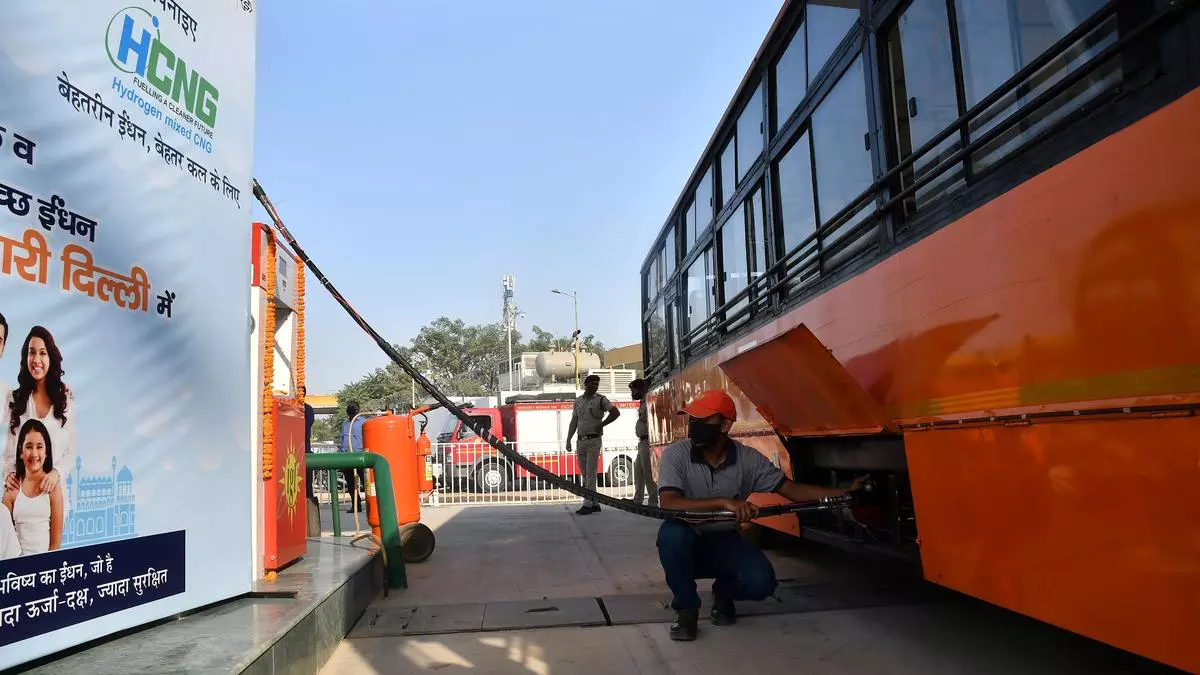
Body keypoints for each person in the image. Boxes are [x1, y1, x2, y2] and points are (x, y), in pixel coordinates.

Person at [656, 389, 868, 641]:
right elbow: (669, 503)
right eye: (692, 420)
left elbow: (791, 489)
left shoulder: (747, 459)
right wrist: (726, 503)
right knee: (671, 536)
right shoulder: (676, 454)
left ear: (725, 425)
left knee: (762, 584)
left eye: (703, 421)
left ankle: (724, 591)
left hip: (724, 539)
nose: (694, 426)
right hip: (686, 537)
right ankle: (686, 609)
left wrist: (843, 491)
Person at [3, 327, 75, 514]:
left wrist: (56, 472)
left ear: (50, 357)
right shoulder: (15, 400)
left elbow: (71, 452)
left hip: (53, 501)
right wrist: (8, 474)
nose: (36, 360)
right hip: (20, 502)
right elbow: (10, 452)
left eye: (42, 353)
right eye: (31, 353)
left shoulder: (65, 400)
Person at [3, 419, 64, 555]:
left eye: (39, 447)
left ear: (46, 452)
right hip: (15, 565)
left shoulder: (53, 487)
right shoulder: (12, 487)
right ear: (20, 452)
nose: (34, 454)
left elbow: (55, 544)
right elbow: (3, 536)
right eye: (29, 446)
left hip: (43, 566)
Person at [564, 374, 620, 515]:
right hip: (581, 440)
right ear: (586, 384)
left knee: (591, 473)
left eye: (597, 384)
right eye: (592, 384)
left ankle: (587, 503)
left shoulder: (601, 399)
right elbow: (574, 421)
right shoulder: (578, 401)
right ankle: (595, 502)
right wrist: (568, 439)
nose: (595, 386)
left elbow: (615, 412)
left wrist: (602, 424)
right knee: (585, 473)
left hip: (594, 441)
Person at [628, 378, 657, 508]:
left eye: (633, 390)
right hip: (642, 442)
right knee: (638, 471)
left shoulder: (649, 402)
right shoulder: (642, 402)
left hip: (647, 441)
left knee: (648, 473)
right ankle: (637, 499)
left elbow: (651, 419)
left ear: (640, 389)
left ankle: (653, 502)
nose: (632, 393)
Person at [338, 401, 366, 513]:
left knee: (366, 482)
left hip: (360, 457)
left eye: (353, 408)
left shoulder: (364, 422)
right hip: (348, 457)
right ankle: (356, 505)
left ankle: (371, 505)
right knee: (351, 484)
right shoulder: (345, 424)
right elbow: (342, 440)